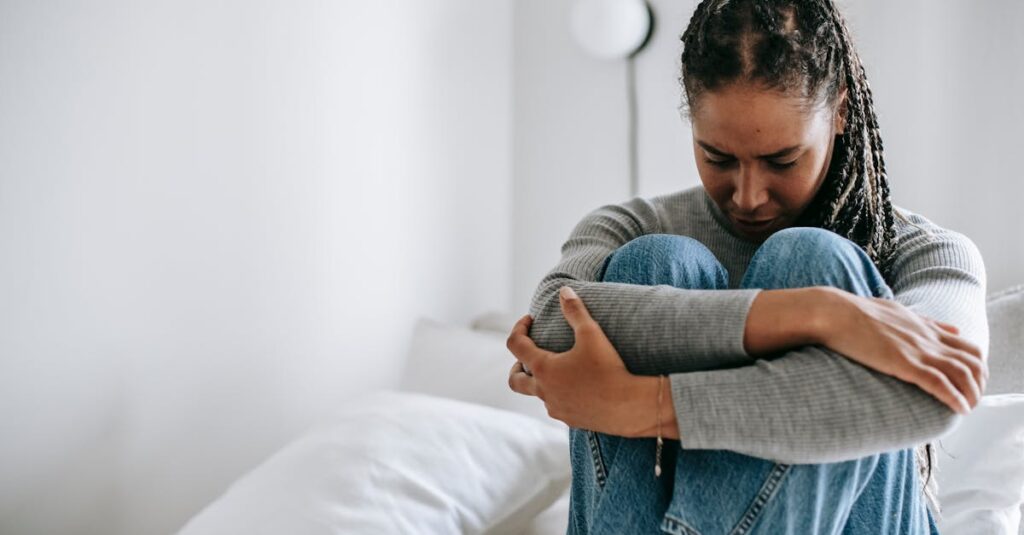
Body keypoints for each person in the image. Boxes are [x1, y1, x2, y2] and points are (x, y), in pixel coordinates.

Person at [505, 0, 990, 533]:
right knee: (657, 262)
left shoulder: (923, 251)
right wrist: (819, 314)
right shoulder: (630, 225)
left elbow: (936, 395)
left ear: (842, 112)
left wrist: (645, 405)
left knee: (813, 259)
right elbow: (551, 324)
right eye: (717, 157)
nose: (748, 195)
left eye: (782, 160)